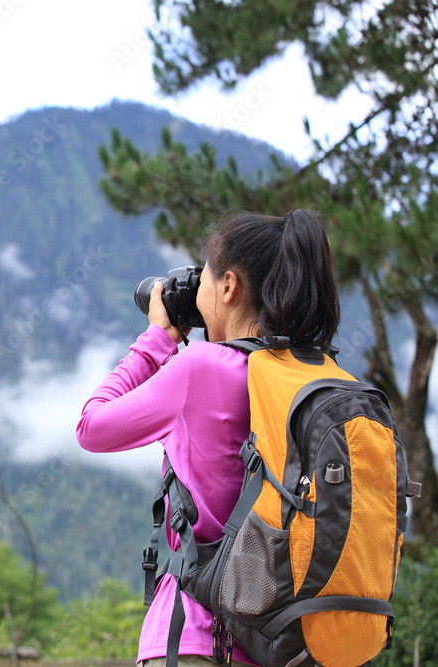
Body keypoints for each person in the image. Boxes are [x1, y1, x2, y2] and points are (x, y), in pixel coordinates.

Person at [75, 209, 340, 667]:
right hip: (295, 646)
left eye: (206, 280)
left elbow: (92, 427)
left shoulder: (202, 368)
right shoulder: (325, 381)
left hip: (197, 639)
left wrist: (157, 338)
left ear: (229, 288)